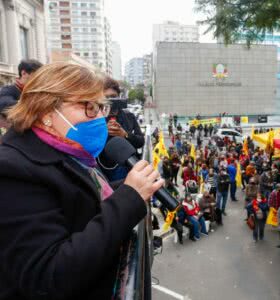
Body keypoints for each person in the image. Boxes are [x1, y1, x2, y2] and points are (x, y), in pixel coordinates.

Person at [0, 62, 165, 299]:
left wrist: (134, 186)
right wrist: (129, 198)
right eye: (89, 107)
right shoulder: (12, 172)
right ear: (47, 112)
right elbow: (50, 275)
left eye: (101, 108)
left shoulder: (72, 154)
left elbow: (80, 201)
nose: (99, 118)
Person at [0, 59, 43, 133]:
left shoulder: (35, 93)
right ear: (23, 73)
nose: (38, 80)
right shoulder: (8, 90)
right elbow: (4, 105)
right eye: (35, 76)